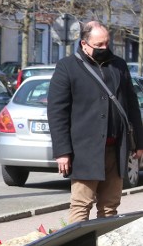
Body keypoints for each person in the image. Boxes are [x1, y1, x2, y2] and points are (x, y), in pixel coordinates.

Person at [48, 21, 143, 223]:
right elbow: (57, 112)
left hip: (116, 149)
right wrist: (62, 152)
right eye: (99, 45)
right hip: (84, 150)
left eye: (107, 43)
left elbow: (132, 106)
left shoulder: (119, 65)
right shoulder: (67, 67)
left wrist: (138, 144)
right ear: (84, 44)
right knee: (81, 205)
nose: (104, 48)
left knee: (110, 207)